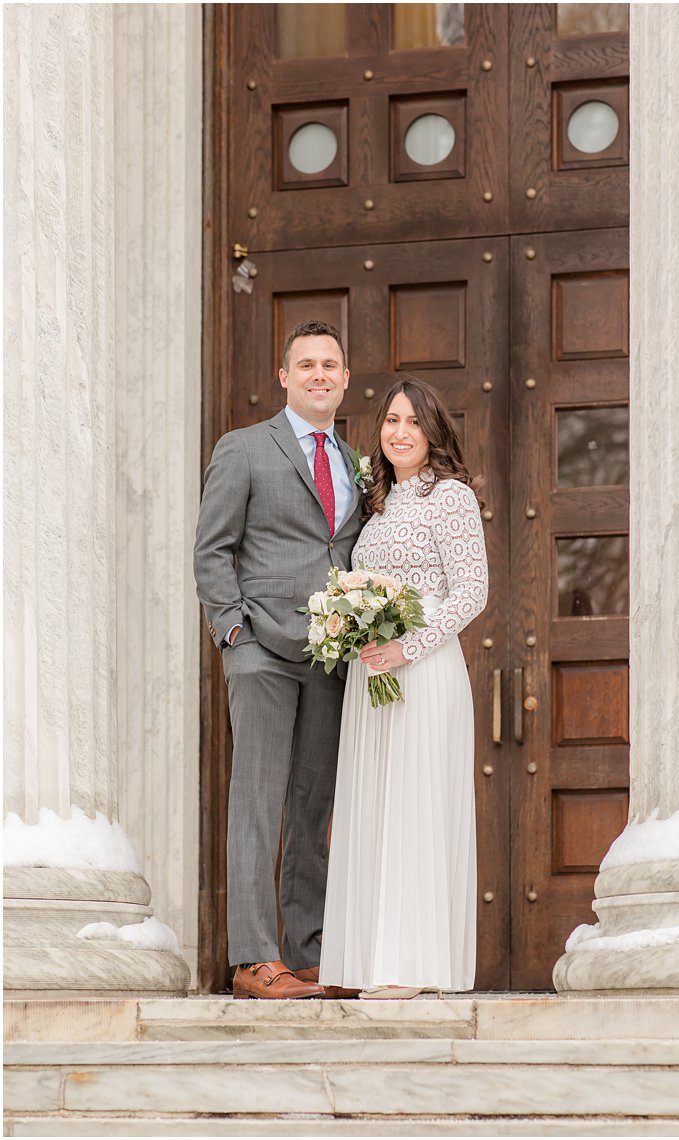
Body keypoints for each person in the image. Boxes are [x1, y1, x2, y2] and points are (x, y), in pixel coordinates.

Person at [194, 320, 363, 999]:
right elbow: (213, 548)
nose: (319, 374)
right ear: (285, 376)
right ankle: (253, 959)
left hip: (330, 660)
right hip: (261, 650)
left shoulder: (356, 463)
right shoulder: (244, 449)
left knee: (311, 806)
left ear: (345, 379)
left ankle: (307, 953)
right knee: (258, 804)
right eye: (306, 364)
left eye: (330, 364)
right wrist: (234, 633)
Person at [319, 376, 488, 999]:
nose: (399, 432)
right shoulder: (379, 503)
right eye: (391, 420)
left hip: (425, 670)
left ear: (433, 431)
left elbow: (472, 590)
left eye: (413, 422)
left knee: (416, 808)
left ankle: (413, 966)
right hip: (374, 679)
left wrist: (407, 647)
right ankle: (371, 958)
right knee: (377, 809)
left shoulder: (450, 498)